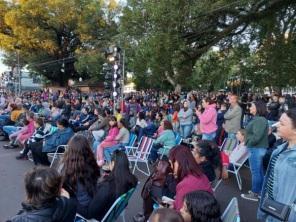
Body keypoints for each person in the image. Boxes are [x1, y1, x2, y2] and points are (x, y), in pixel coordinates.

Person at [258, 109, 296, 222]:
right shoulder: (280, 148)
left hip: (286, 215)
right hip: (271, 209)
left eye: (282, 123)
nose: (277, 125)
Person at [80, 150, 138, 220]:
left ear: (113, 164)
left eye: (109, 162)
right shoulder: (132, 179)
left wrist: (71, 202)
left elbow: (88, 214)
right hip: (111, 211)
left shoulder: (107, 187)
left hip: (99, 216)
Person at [7, 167, 76, 222]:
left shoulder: (20, 219)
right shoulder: (69, 203)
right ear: (58, 189)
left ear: (29, 190)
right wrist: (67, 200)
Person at [60, 135, 100, 217]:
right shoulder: (92, 163)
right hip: (93, 201)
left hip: (82, 208)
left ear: (70, 149)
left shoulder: (66, 168)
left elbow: (59, 187)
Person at [168, 145, 212, 211]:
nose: (171, 167)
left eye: (171, 163)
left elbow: (179, 215)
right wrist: (174, 204)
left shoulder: (186, 184)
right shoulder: (199, 174)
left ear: (179, 162)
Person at [241, 101, 269, 201]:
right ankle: (259, 191)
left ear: (258, 108)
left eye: (252, 106)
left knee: (256, 172)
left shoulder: (259, 120)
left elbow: (257, 137)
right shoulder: (259, 119)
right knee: (259, 171)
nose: (250, 108)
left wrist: (248, 141)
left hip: (256, 148)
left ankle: (255, 193)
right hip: (257, 148)